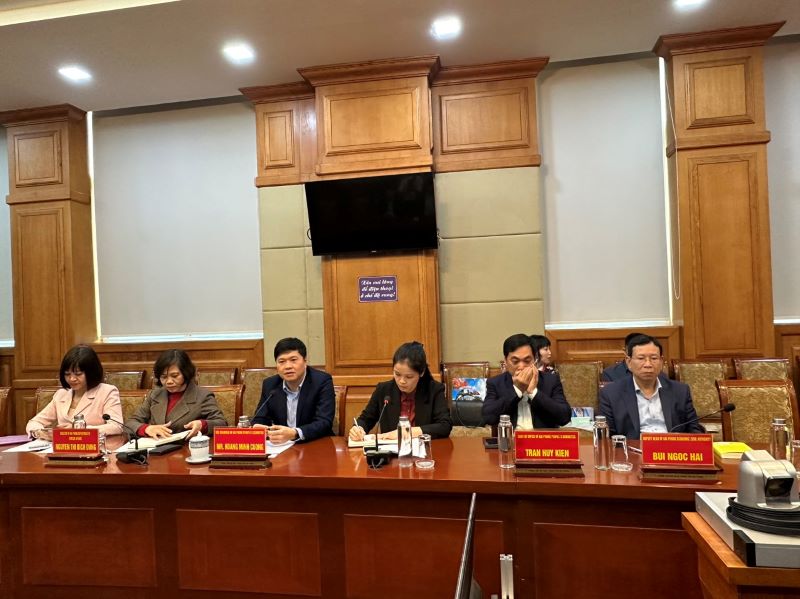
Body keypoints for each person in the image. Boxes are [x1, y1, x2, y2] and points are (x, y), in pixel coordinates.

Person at [598, 334, 703, 439]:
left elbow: (694, 430)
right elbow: (606, 437)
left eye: (654, 358)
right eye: (641, 358)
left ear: (661, 361)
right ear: (629, 362)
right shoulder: (611, 393)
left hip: (671, 447)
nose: (648, 364)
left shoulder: (680, 391)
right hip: (634, 447)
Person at [349, 341, 451, 440]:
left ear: (421, 372)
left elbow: (445, 426)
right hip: (390, 450)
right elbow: (365, 419)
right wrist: (358, 429)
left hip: (424, 449)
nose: (402, 381)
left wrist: (407, 432)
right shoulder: (383, 390)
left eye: (409, 376)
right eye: (397, 374)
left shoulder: (434, 390)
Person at [124, 349, 227, 439]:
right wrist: (147, 429)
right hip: (154, 450)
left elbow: (221, 423)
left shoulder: (202, 396)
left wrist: (202, 425)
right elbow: (130, 424)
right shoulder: (154, 395)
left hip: (186, 449)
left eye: (175, 376)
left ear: (186, 373)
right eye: (164, 377)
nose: (169, 381)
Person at [27, 344, 124, 440]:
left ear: (91, 372)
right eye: (67, 374)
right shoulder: (61, 394)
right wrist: (40, 433)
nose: (72, 379)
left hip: (92, 446)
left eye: (78, 374)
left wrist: (78, 430)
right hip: (62, 447)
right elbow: (34, 422)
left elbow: (116, 426)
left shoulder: (107, 392)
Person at [253, 337, 335, 443]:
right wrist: (258, 427)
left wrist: (295, 433)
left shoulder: (321, 381)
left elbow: (324, 422)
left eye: (293, 360)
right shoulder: (270, 384)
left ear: (305, 361)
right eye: (281, 361)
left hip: (315, 443)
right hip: (282, 446)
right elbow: (260, 417)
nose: (288, 366)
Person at [482, 334, 571, 430]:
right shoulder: (495, 383)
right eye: (515, 361)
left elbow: (564, 418)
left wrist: (533, 392)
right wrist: (517, 390)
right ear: (506, 361)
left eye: (527, 361)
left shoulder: (551, 380)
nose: (521, 366)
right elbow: (488, 417)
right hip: (511, 438)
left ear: (535, 360)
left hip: (541, 438)